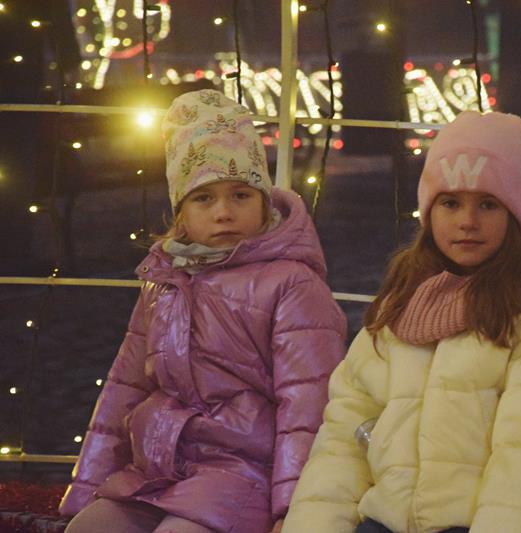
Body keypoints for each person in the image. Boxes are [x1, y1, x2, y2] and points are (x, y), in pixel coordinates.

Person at [282, 110, 521, 533]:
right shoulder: (400, 306)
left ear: (514, 215)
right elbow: (342, 443)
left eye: (488, 204)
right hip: (384, 521)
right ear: (429, 211)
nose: (467, 222)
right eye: (451, 203)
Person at [59, 89, 347, 533]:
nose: (224, 212)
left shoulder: (291, 284)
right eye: (204, 198)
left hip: (246, 474)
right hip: (162, 469)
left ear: (264, 201)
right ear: (182, 211)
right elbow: (124, 387)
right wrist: (87, 487)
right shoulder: (165, 281)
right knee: (89, 529)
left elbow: (307, 406)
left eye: (240, 195)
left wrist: (293, 509)